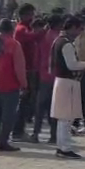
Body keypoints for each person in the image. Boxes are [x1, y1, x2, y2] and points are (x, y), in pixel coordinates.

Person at [0, 19, 27, 152]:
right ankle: (3, 141)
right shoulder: (14, 45)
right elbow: (19, 67)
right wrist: (24, 84)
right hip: (10, 84)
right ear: (11, 30)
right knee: (8, 115)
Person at [50, 17, 85, 159]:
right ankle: (64, 148)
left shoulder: (58, 41)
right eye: (78, 29)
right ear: (72, 27)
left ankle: (62, 146)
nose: (79, 32)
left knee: (64, 118)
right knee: (66, 118)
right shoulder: (66, 44)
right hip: (67, 82)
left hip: (62, 81)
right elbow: (72, 65)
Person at [13, 3, 45, 140]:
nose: (32, 17)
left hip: (30, 69)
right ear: (24, 15)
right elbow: (33, 37)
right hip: (25, 70)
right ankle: (17, 131)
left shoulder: (26, 28)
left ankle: (19, 130)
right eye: (31, 14)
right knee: (23, 102)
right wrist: (45, 30)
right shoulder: (21, 30)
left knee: (27, 102)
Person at [31, 14, 62, 144]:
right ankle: (53, 135)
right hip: (56, 76)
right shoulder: (60, 38)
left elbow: (37, 56)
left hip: (43, 75)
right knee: (54, 107)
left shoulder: (43, 37)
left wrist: (35, 71)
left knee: (40, 107)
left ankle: (35, 134)